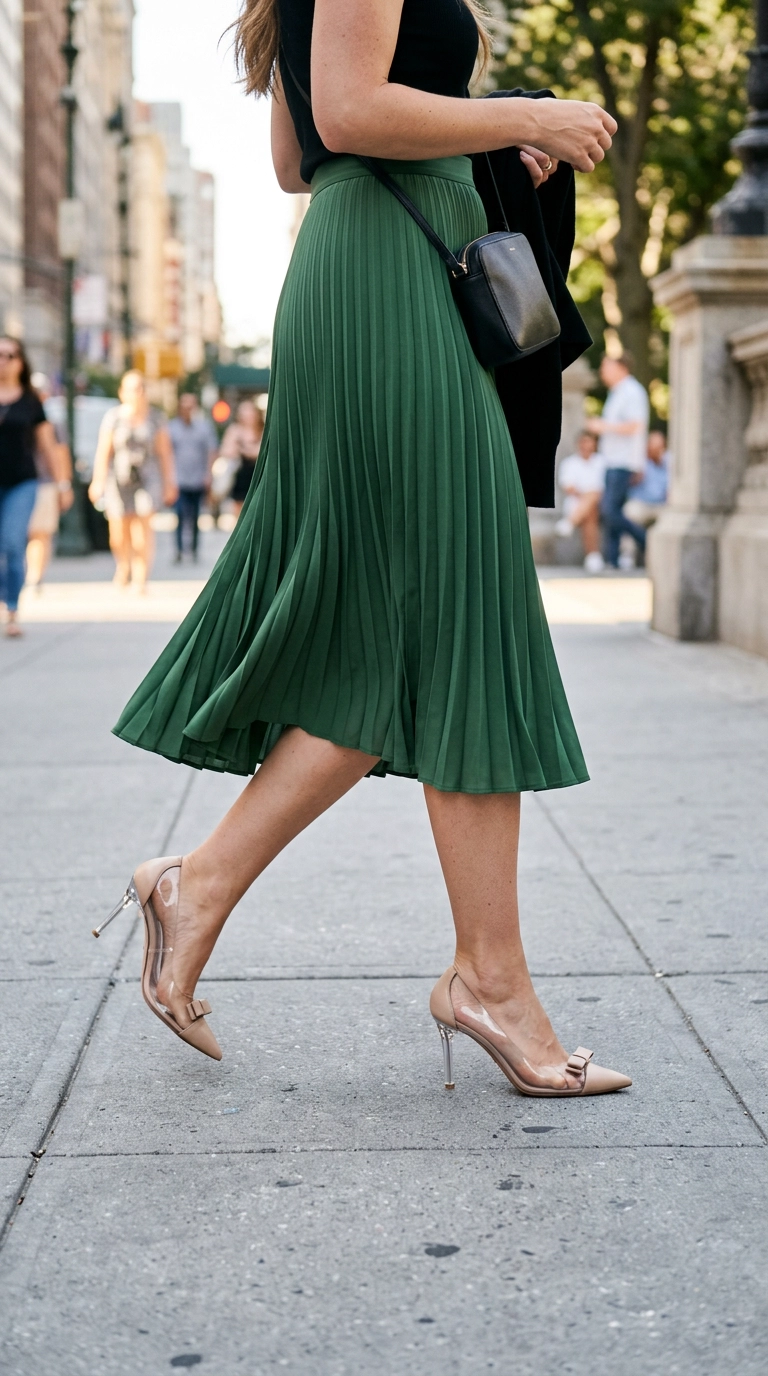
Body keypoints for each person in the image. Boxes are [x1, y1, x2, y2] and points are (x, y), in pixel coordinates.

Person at [98, 0, 630, 1099]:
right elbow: (347, 110)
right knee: (461, 609)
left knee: (407, 630)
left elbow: (301, 155)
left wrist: (484, 134)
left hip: (380, 268)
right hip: (390, 283)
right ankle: (488, 977)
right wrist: (518, 112)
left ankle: (198, 889)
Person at [88, 370, 177, 593]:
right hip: (119, 478)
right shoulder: (114, 417)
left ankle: (140, 577)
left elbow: (165, 453)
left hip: (148, 478)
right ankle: (123, 565)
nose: (138, 392)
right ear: (122, 392)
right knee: (119, 530)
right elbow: (104, 452)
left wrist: (169, 482)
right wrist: (97, 481)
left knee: (143, 528)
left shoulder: (156, 418)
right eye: (132, 388)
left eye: (141, 387)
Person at [0, 337, 62, 637]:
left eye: (9, 355)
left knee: (12, 543)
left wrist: (62, 483)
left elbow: (47, 445)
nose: (3, 360)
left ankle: (11, 608)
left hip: (21, 482)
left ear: (20, 361)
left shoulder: (31, 400)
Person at [587, 353, 649, 569]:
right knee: (613, 511)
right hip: (612, 460)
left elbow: (634, 426)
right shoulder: (618, 393)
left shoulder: (632, 392)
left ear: (620, 368)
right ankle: (612, 560)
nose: (602, 372)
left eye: (606, 367)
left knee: (610, 511)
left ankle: (647, 541)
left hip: (622, 462)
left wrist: (603, 426)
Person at [25, 373, 75, 590]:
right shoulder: (15, 414)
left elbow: (61, 454)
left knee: (40, 532)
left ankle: (34, 576)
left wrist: (64, 485)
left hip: (45, 482)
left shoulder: (53, 422)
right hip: (19, 481)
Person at [168, 393, 218, 562]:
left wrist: (208, 474)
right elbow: (166, 453)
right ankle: (180, 551)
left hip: (198, 478)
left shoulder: (204, 427)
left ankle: (195, 550)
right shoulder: (172, 427)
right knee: (180, 515)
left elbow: (211, 451)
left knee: (196, 516)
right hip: (178, 479)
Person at [555, 430, 605, 573]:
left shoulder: (601, 462)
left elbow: (602, 490)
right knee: (590, 511)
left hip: (597, 503)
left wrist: (589, 495)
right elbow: (568, 487)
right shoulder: (569, 463)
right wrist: (588, 496)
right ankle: (593, 556)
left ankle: (570, 522)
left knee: (593, 499)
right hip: (577, 504)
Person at [219, 399, 265, 517]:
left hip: (258, 474)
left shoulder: (262, 431)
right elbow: (226, 451)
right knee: (239, 510)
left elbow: (262, 452)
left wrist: (243, 449)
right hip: (240, 474)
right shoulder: (234, 430)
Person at [623, 428, 669, 532]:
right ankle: (629, 548)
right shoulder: (638, 460)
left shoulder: (669, 461)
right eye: (654, 446)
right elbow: (627, 484)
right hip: (641, 504)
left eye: (660, 447)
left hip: (662, 505)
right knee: (629, 512)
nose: (657, 450)